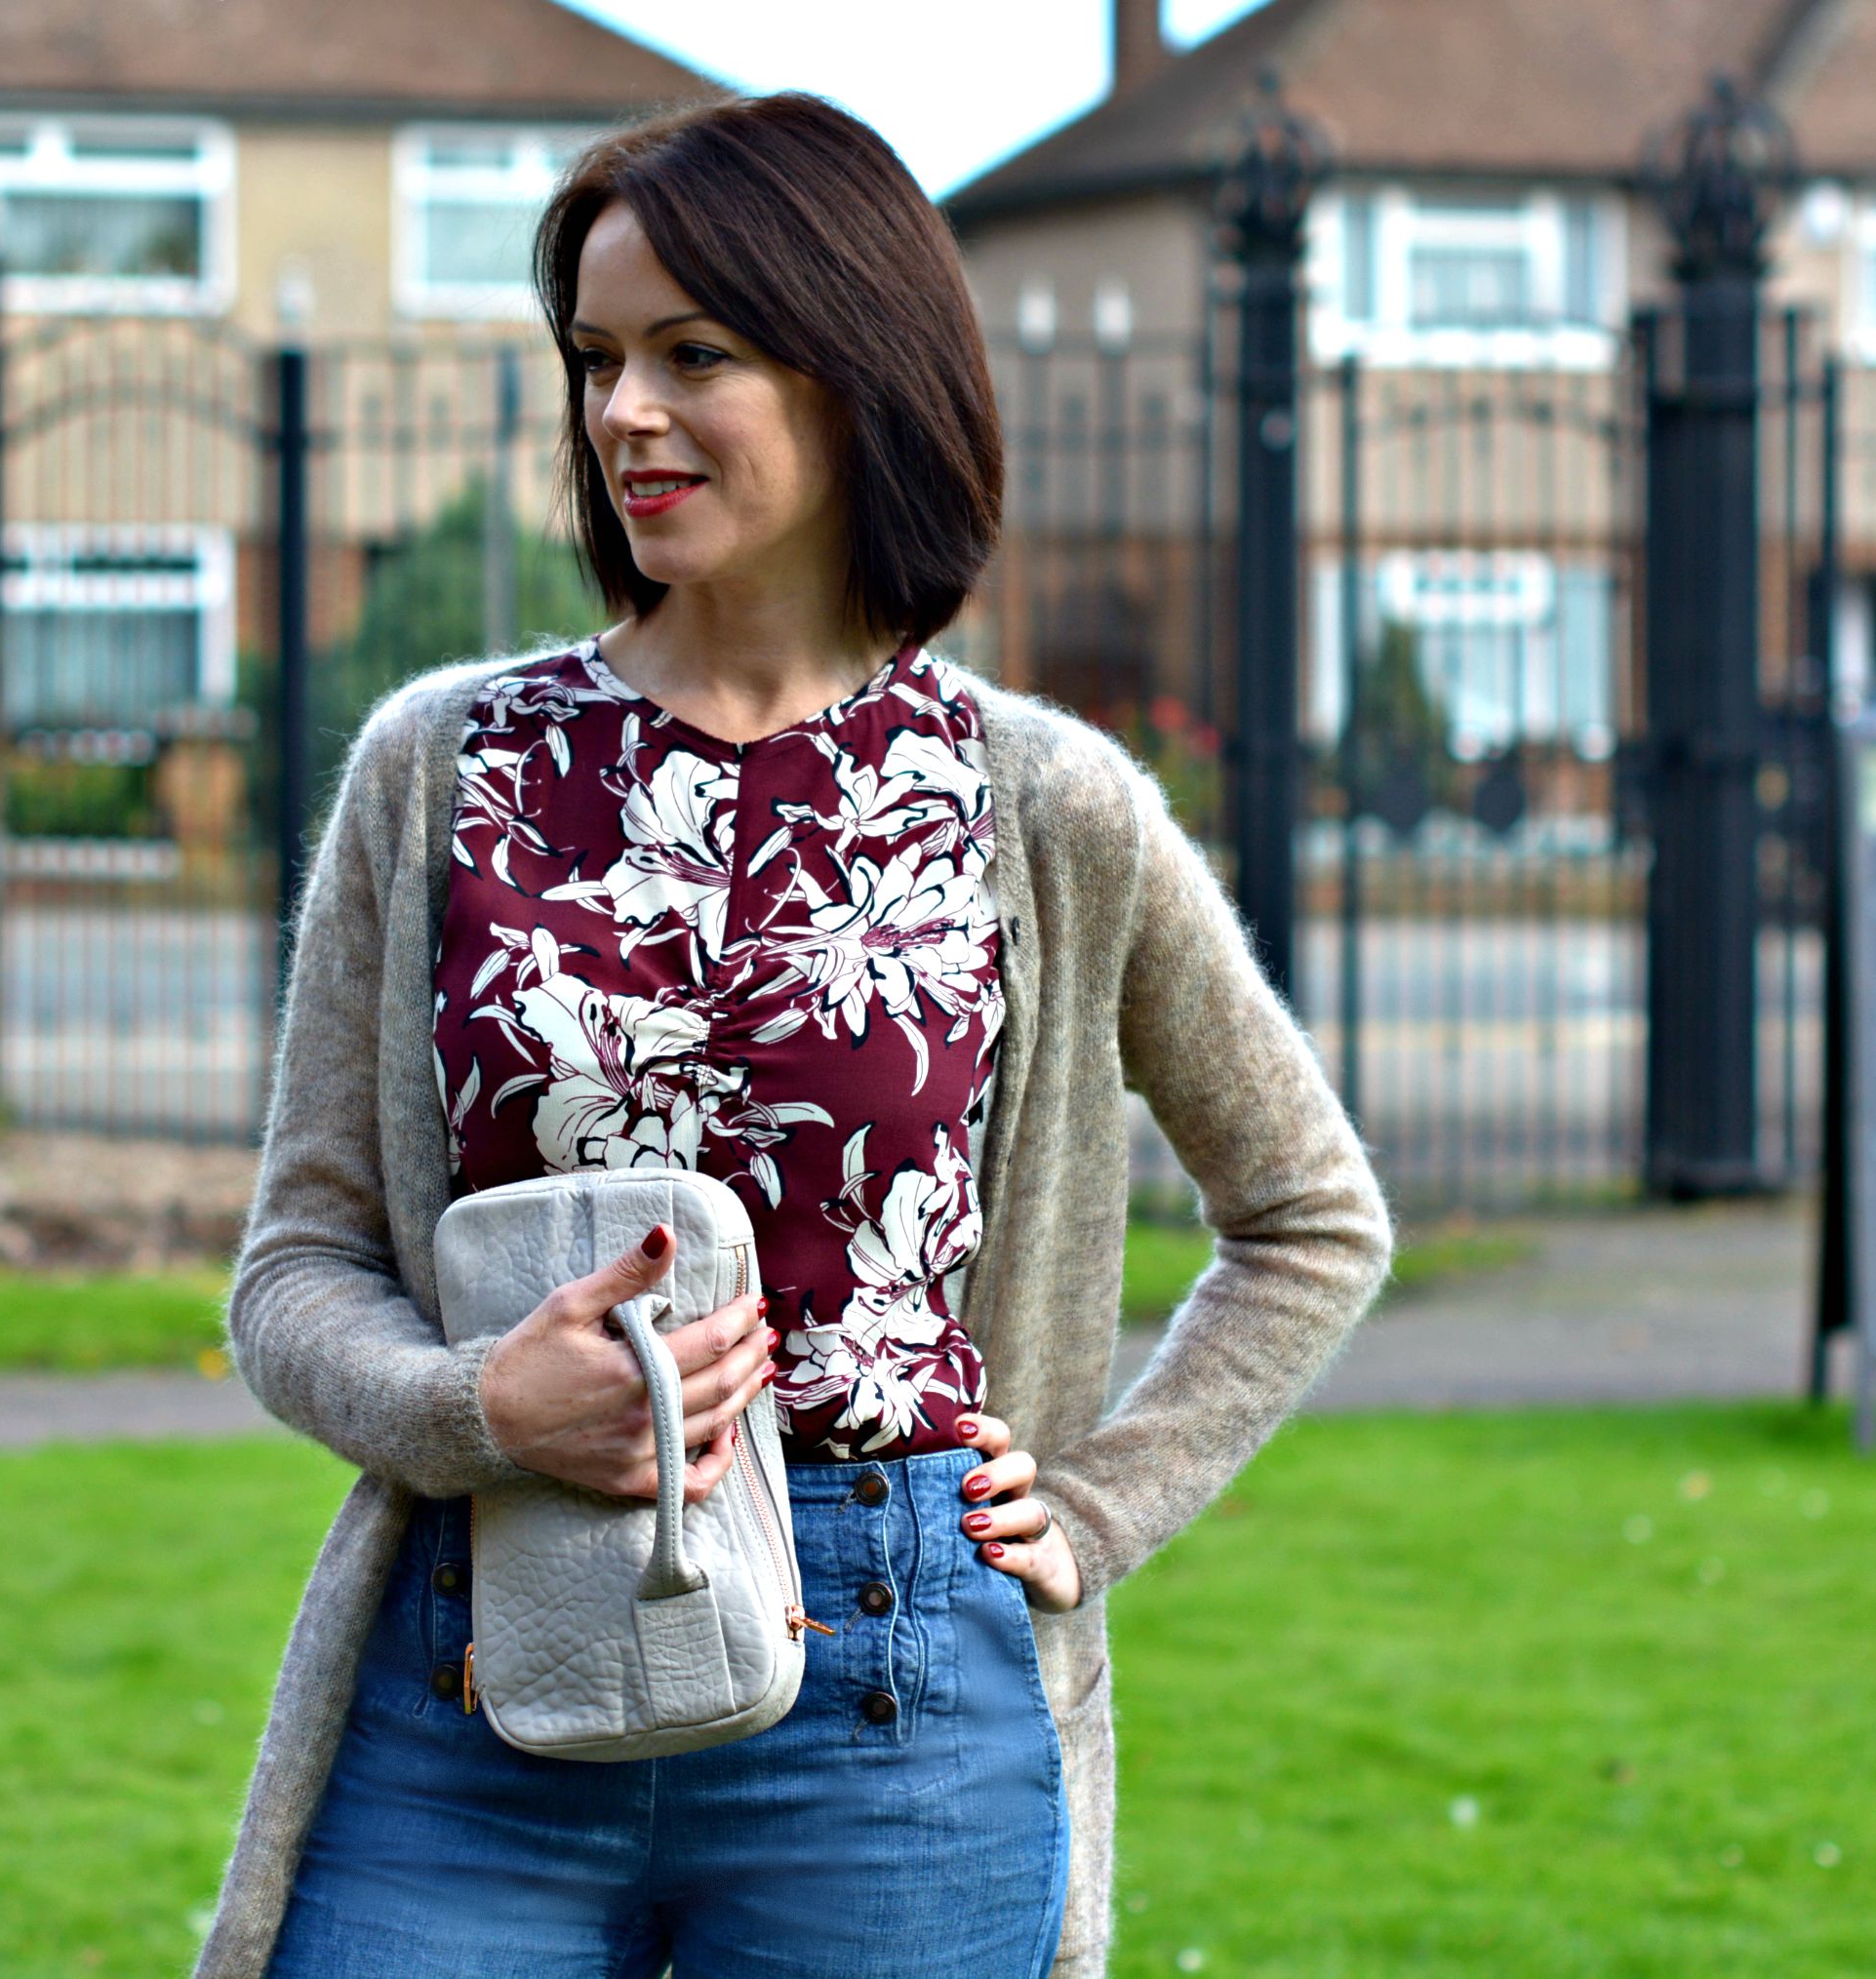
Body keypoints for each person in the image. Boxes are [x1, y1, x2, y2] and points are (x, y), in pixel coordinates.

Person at [194, 91, 1391, 1979]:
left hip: (896, 1696)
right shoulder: (439, 769)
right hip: (475, 1668)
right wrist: (469, 1407)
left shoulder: (1038, 801)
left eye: (693, 354)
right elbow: (296, 1266)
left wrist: (1097, 1502)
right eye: (594, 359)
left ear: (855, 372)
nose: (621, 414)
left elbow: (1310, 1211)